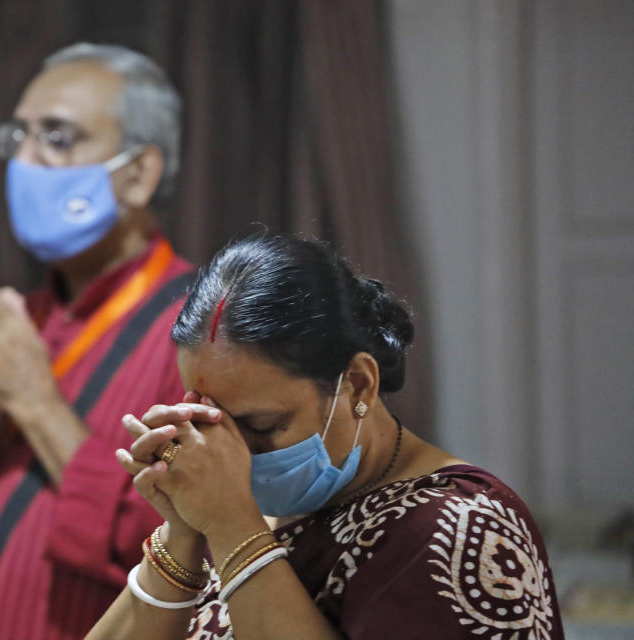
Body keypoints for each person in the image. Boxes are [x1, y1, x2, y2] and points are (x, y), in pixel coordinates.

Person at [87, 233, 565, 640]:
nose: (226, 452)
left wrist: (233, 525)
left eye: (260, 426)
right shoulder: (254, 513)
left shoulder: (460, 530)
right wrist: (183, 533)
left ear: (358, 383)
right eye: (209, 422)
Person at [0, 43, 193, 639]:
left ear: (139, 173)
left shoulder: (202, 329)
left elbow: (172, 545)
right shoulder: (15, 320)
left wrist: (35, 403)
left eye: (57, 138)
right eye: (18, 137)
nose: (24, 161)